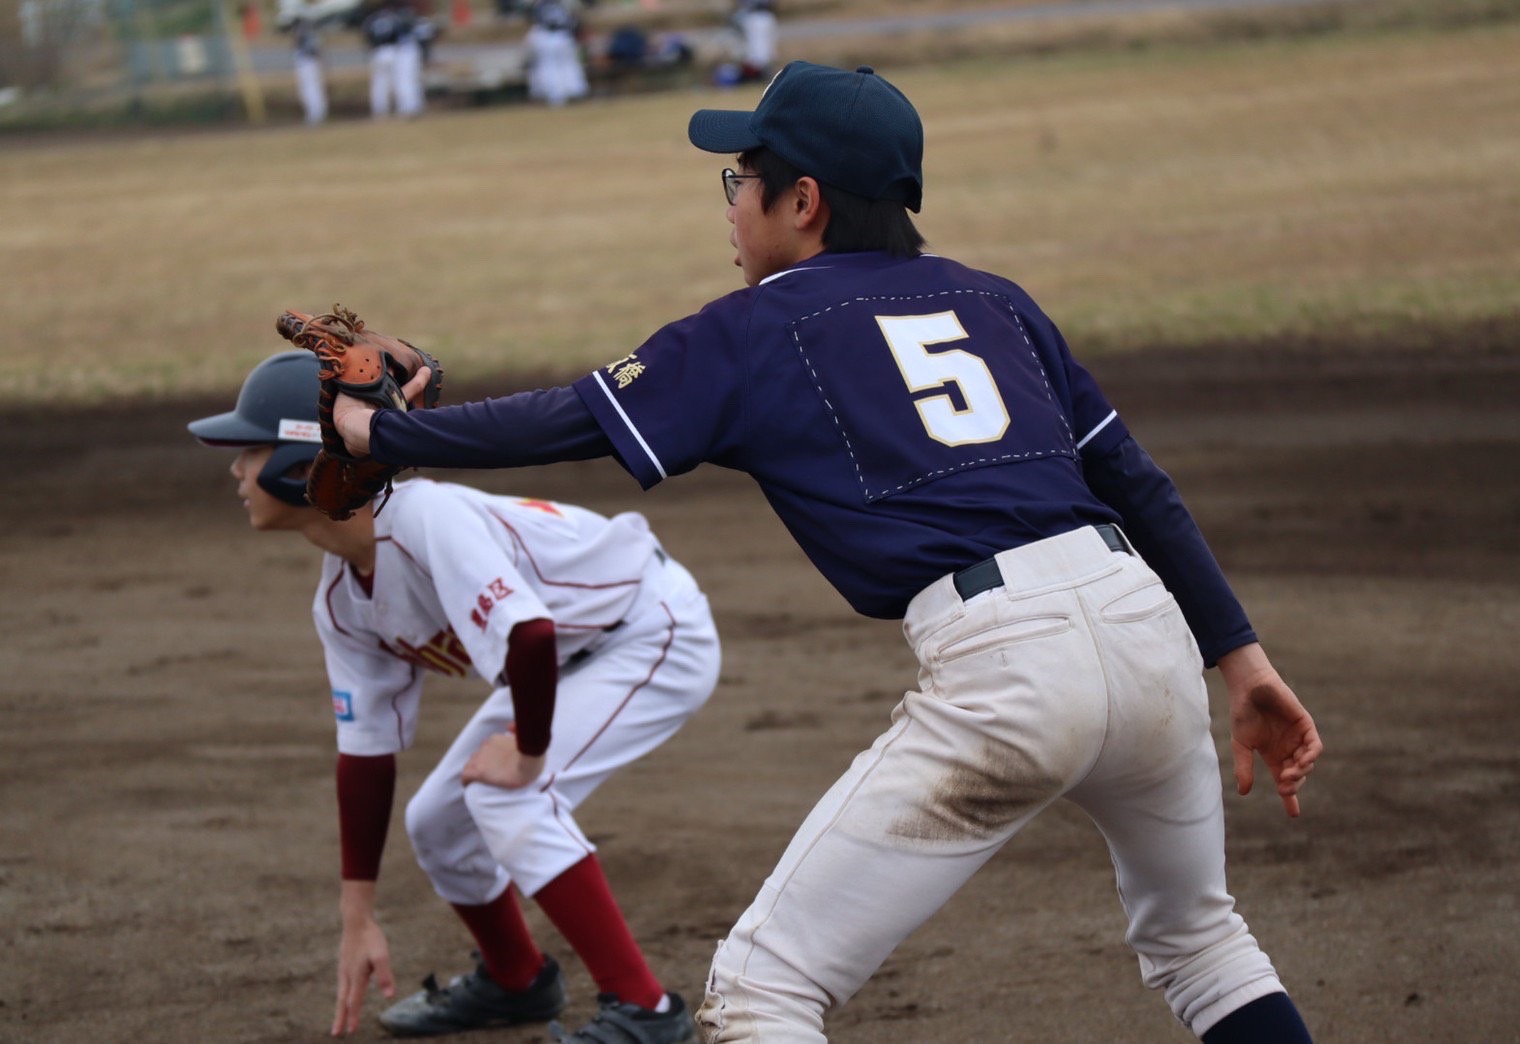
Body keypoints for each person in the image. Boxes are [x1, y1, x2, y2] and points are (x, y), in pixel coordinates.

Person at [326, 61, 1323, 1043]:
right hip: (1142, 627)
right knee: (1201, 943)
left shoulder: (758, 328)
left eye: (740, 179)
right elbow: (1135, 484)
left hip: (1007, 668)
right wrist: (1240, 658)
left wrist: (384, 437)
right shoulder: (997, 302)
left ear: (801, 202)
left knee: (762, 991)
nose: (728, 204)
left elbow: (570, 417)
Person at [188, 352, 718, 1043]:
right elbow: (366, 757)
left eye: (249, 450)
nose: (235, 470)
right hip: (562, 660)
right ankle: (517, 979)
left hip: (651, 629)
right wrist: (359, 919)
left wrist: (528, 755)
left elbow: (527, 634)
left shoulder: (424, 518)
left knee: (507, 794)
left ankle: (646, 1012)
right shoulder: (341, 600)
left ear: (300, 459)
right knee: (437, 820)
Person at [522, 0, 588, 107]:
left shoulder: (539, 4)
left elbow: (529, 18)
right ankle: (574, 92)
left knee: (549, 66)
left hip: (545, 36)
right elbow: (574, 19)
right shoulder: (561, 4)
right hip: (562, 35)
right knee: (568, 64)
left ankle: (557, 95)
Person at [289, 14, 328, 125]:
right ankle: (317, 113)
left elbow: (312, 49)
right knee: (313, 89)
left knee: (309, 89)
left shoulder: (303, 33)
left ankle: (315, 114)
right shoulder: (310, 32)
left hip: (306, 63)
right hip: (311, 63)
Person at [731, 0, 777, 80]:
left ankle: (758, 74)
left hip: (755, 60)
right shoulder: (768, 19)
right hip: (758, 60)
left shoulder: (749, 20)